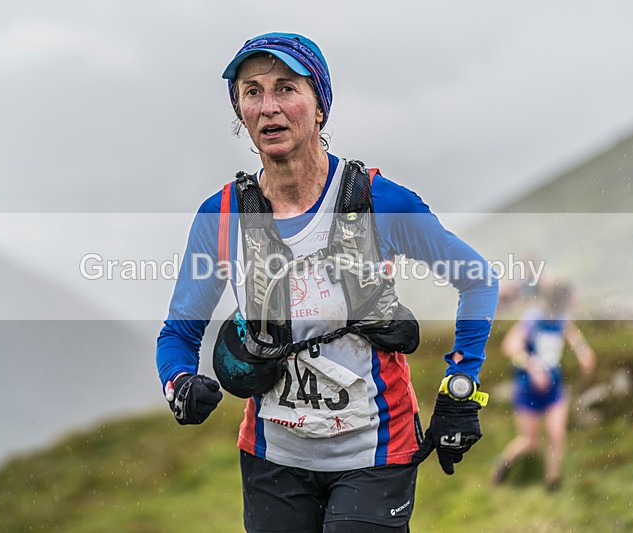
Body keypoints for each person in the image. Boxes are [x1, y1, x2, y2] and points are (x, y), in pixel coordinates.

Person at [156, 32, 498, 532]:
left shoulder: (381, 202)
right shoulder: (222, 216)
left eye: (286, 88)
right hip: (273, 458)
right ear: (241, 113)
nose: (269, 106)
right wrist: (179, 383)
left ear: (320, 107)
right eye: (252, 92)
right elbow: (178, 333)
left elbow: (478, 281)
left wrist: (460, 389)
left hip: (376, 453)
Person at [492, 281, 595, 491]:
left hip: (554, 387)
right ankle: (502, 467)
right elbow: (509, 346)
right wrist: (532, 365)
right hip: (527, 388)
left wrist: (583, 351)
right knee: (530, 442)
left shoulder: (562, 318)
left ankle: (552, 483)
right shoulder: (533, 319)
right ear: (559, 301)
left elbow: (573, 335)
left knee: (556, 435)